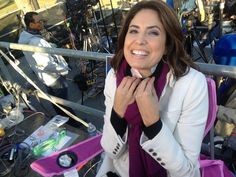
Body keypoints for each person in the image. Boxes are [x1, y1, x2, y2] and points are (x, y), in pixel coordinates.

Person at [96, 1, 209, 177]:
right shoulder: (114, 76)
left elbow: (187, 172)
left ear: (168, 45)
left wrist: (153, 123)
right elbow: (110, 151)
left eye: (153, 32)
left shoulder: (192, 84)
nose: (139, 40)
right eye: (133, 31)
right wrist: (117, 111)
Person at [18, 12, 73, 118]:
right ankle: (74, 123)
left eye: (42, 20)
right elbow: (46, 64)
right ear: (31, 24)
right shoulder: (35, 42)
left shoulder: (26, 37)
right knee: (63, 103)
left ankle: (64, 120)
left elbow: (39, 54)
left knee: (56, 101)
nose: (42, 23)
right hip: (54, 77)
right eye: (39, 22)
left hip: (46, 77)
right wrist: (64, 69)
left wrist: (50, 46)